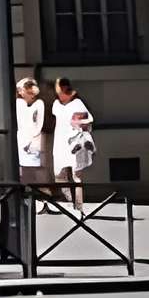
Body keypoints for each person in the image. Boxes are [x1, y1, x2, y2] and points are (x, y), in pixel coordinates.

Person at [51, 75, 95, 212]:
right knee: (59, 174)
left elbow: (89, 119)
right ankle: (70, 202)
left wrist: (78, 122)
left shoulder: (77, 103)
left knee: (76, 176)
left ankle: (79, 207)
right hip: (60, 142)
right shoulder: (56, 105)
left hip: (75, 142)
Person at [15, 74, 49, 188]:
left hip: (32, 140)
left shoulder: (39, 104)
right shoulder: (20, 104)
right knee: (23, 169)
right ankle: (26, 191)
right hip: (23, 138)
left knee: (35, 169)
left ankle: (37, 193)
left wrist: (32, 136)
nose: (20, 93)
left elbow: (38, 124)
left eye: (21, 91)